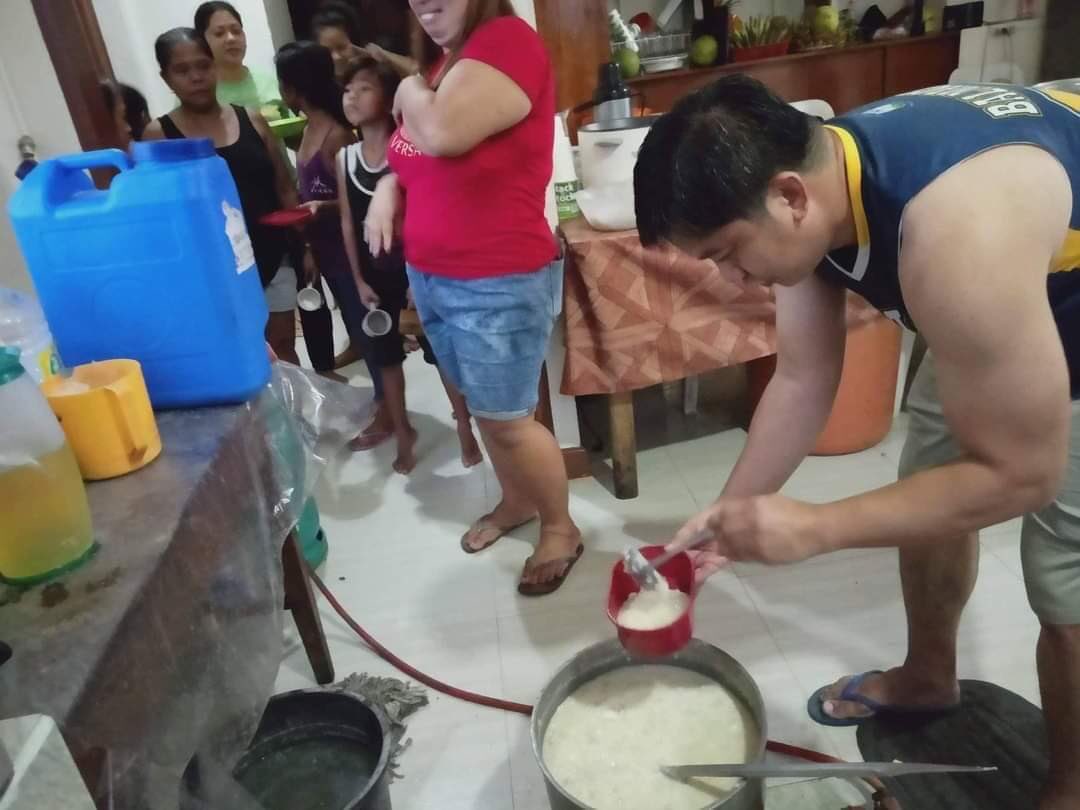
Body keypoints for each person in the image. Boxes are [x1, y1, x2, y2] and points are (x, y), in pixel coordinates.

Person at [634, 75, 1080, 810]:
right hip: (999, 302)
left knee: (1063, 565)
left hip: (1043, 288)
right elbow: (804, 380)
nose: (731, 279)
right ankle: (929, 675)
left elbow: (1021, 475)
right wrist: (729, 513)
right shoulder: (817, 183)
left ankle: (1070, 784)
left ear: (788, 197)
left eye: (726, 253)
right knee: (930, 475)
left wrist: (816, 527)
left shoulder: (954, 232)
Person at [365, 0, 582, 595]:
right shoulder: (445, 67)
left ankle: (561, 529)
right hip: (435, 274)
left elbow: (440, 133)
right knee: (482, 408)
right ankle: (516, 500)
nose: (423, 3)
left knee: (508, 418)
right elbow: (414, 159)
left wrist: (407, 87)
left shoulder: (504, 42)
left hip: (495, 276)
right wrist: (387, 187)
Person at [337, 54, 482, 474]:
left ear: (388, 97)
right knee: (385, 361)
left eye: (364, 88)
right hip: (374, 279)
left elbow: (429, 209)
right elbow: (349, 224)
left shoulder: (411, 146)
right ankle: (404, 435)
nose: (352, 96)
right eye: (347, 89)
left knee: (441, 356)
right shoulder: (345, 158)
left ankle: (464, 428)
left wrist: (418, 279)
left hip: (418, 272)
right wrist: (358, 280)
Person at [143, 28, 301, 365]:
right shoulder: (159, 137)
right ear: (166, 77)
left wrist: (305, 247)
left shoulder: (252, 119)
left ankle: (295, 418)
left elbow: (283, 185)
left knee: (284, 347)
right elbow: (156, 213)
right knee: (240, 356)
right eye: (182, 70)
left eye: (203, 65)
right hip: (209, 268)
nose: (196, 77)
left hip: (272, 255)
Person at [276, 41, 391, 444]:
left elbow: (361, 196)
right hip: (325, 249)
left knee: (371, 334)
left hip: (349, 249)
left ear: (293, 87)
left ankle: (389, 412)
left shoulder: (337, 135)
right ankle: (386, 405)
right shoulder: (310, 129)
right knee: (358, 331)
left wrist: (319, 208)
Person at [194, 2, 282, 114]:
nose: (231, 38)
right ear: (202, 41)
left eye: (236, 31)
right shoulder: (196, 92)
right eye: (219, 33)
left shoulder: (269, 81)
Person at [312, 0, 416, 80]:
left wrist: (381, 55)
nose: (336, 57)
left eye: (341, 47)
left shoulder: (373, 74)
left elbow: (417, 73)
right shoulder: (314, 89)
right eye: (327, 51)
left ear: (354, 43)